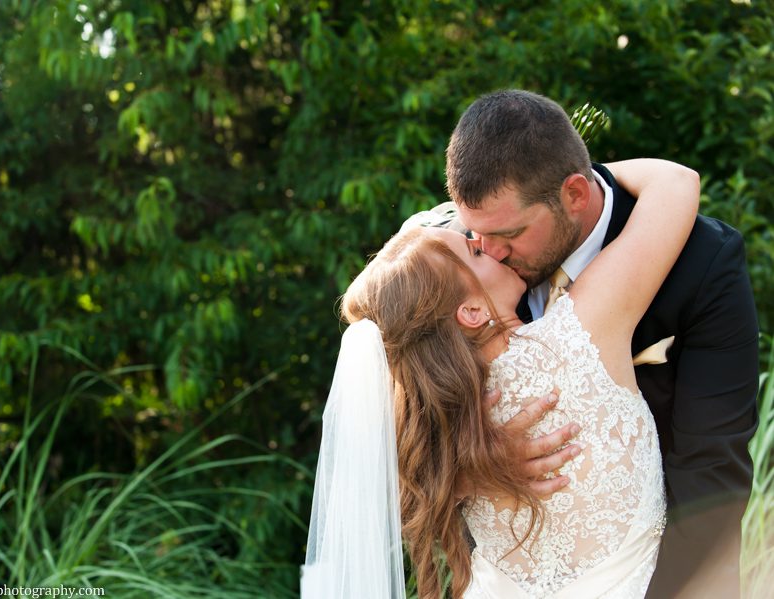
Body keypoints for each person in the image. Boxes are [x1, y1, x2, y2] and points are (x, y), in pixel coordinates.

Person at [302, 158, 698, 598]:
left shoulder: (437, 426)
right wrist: (558, 175)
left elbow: (375, 501)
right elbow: (676, 182)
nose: (488, 246)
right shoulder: (582, 333)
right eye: (473, 250)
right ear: (471, 312)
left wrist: (464, 471)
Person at [440, 90, 758, 598]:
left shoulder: (703, 263)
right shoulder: (457, 266)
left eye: (512, 234)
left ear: (574, 194)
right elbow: (398, 441)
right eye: (477, 234)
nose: (491, 251)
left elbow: (712, 473)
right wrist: (470, 466)